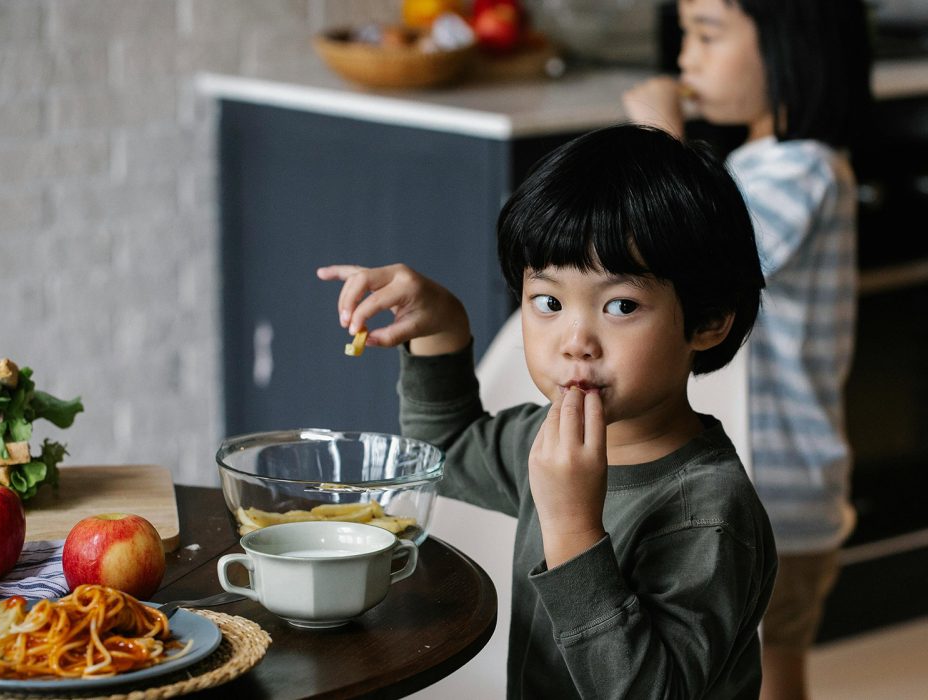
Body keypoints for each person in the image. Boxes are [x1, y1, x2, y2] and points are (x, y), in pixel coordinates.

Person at [317, 124, 777, 698]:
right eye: (549, 302)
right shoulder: (550, 440)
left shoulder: (709, 511)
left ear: (709, 321)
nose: (575, 340)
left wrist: (572, 528)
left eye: (621, 305)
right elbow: (451, 456)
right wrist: (442, 328)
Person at [622, 2, 873, 699]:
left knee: (761, 676)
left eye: (707, 33)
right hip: (769, 491)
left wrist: (659, 142)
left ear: (794, 45)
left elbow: (708, 251)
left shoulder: (805, 170)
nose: (684, 58)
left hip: (776, 494)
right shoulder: (762, 164)